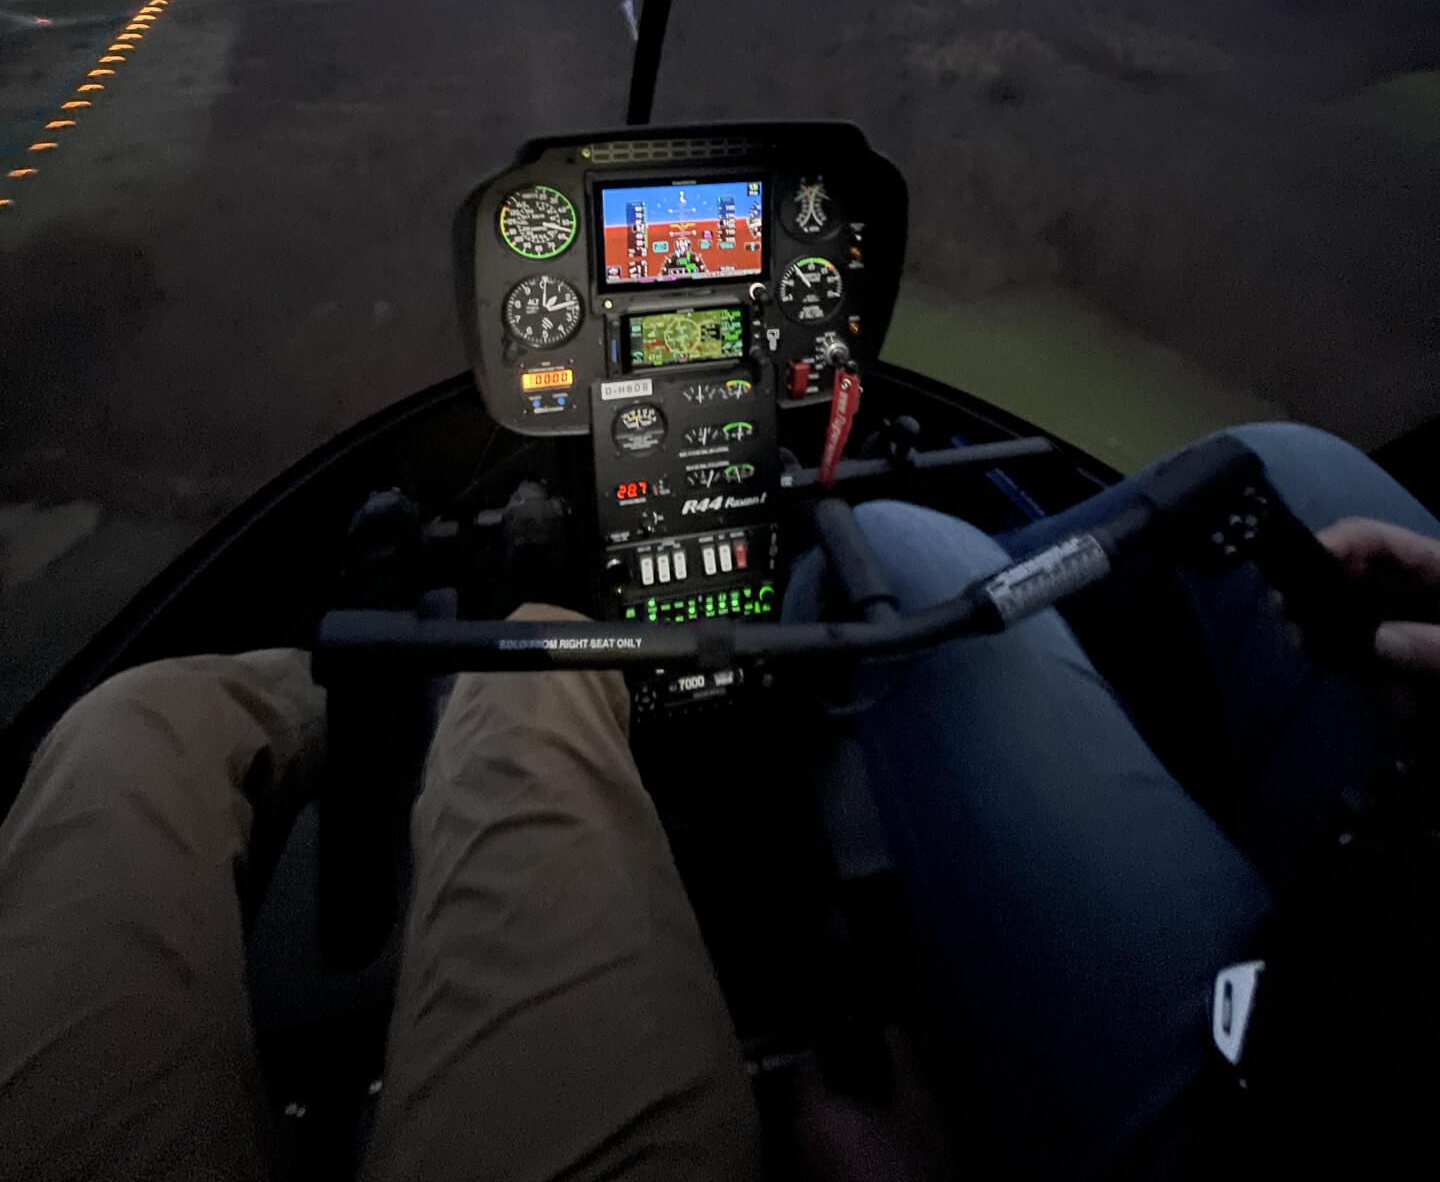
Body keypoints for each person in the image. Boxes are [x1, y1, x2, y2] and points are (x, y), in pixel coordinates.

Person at [0, 423, 1436, 1182]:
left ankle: (495, 651)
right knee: (1299, 466)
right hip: (1391, 917)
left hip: (1317, 1103)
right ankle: (522, 653)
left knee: (888, 547)